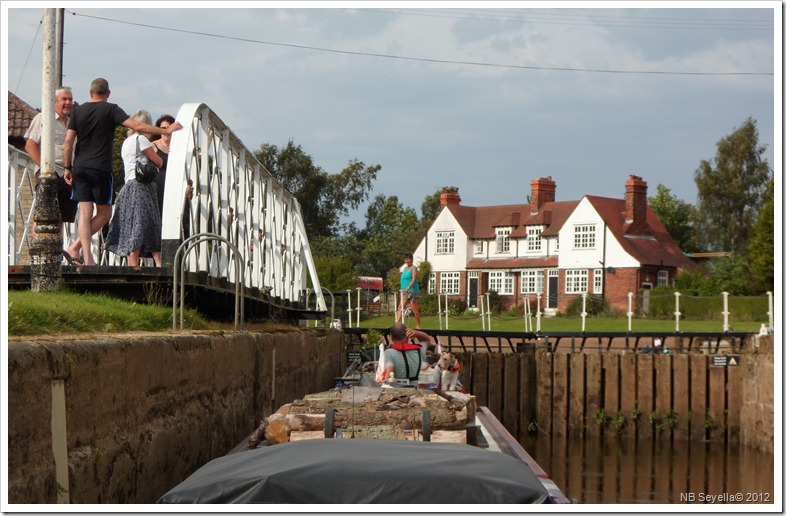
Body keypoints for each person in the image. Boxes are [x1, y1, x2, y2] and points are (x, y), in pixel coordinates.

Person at [62, 78, 182, 266]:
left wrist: (67, 167)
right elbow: (138, 127)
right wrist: (165, 131)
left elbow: (68, 142)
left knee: (85, 213)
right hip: (101, 168)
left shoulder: (78, 111)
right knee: (105, 213)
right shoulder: (111, 109)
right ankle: (76, 249)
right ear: (107, 93)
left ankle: (85, 256)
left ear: (90, 92)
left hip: (79, 166)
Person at [23, 86, 80, 262]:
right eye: (64, 99)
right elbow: (30, 144)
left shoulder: (71, 123)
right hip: (50, 173)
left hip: (67, 175)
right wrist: (44, 167)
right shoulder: (43, 118)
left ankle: (55, 257)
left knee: (61, 217)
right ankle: (39, 257)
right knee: (43, 215)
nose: (68, 103)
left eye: (70, 99)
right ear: (54, 101)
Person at [104, 110, 165, 267]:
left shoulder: (126, 142)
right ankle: (141, 261)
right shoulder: (141, 140)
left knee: (134, 222)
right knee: (147, 222)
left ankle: (140, 260)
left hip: (129, 185)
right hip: (142, 186)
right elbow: (158, 162)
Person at [150, 114, 175, 216]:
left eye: (168, 128)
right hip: (157, 187)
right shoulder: (152, 146)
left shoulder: (179, 147)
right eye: (163, 128)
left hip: (174, 187)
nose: (166, 131)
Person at [396, 252, 422, 328]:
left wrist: (407, 288)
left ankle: (418, 324)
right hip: (405, 291)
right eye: (406, 259)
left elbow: (413, 280)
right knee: (400, 306)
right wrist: (403, 289)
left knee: (414, 310)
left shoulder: (414, 269)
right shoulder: (404, 269)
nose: (407, 261)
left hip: (412, 291)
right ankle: (397, 324)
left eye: (408, 259)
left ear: (411, 260)